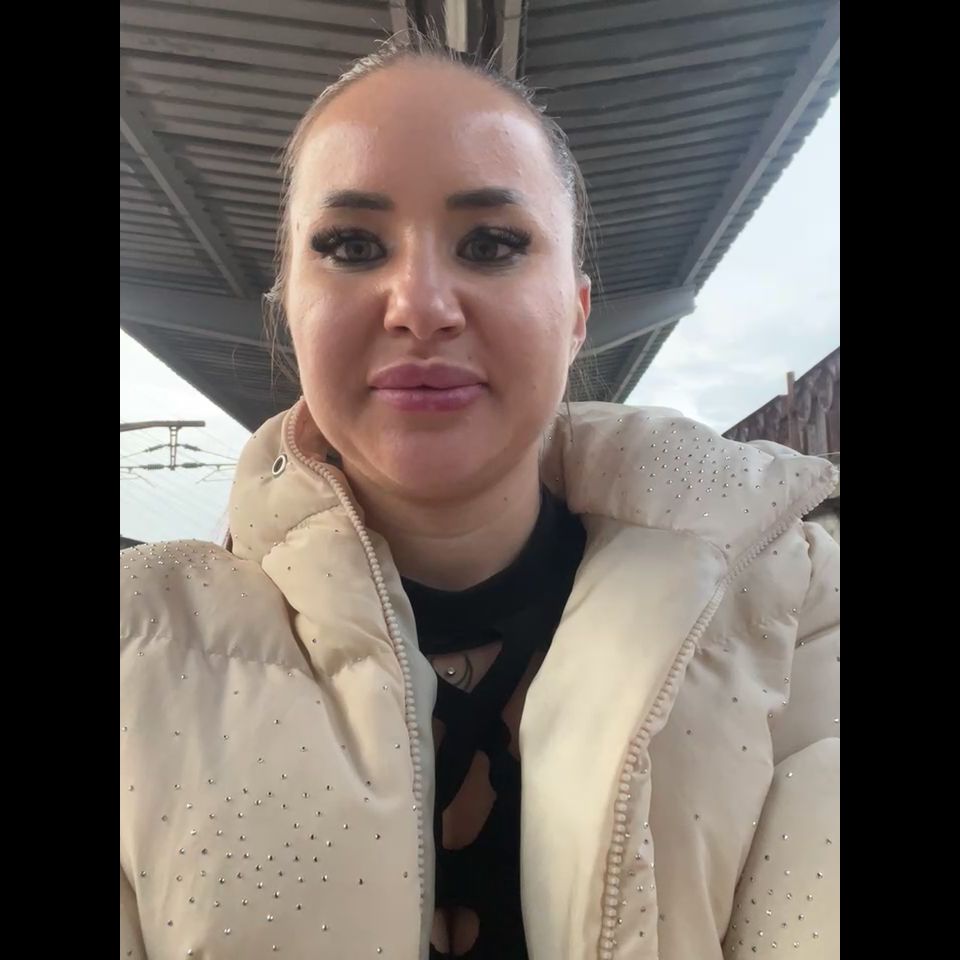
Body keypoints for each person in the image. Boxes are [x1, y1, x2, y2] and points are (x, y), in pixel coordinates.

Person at [120, 33, 839, 960]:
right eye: (351, 246)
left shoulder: (796, 617)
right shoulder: (139, 654)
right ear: (288, 306)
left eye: (492, 244)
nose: (420, 304)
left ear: (576, 315)